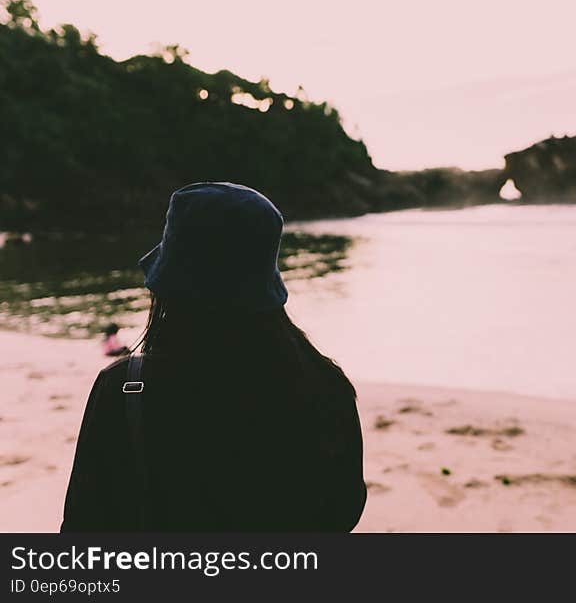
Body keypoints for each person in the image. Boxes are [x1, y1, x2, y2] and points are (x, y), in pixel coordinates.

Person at [61, 182, 367, 531]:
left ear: (168, 286)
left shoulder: (125, 391)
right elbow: (343, 512)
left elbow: (82, 530)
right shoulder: (326, 386)